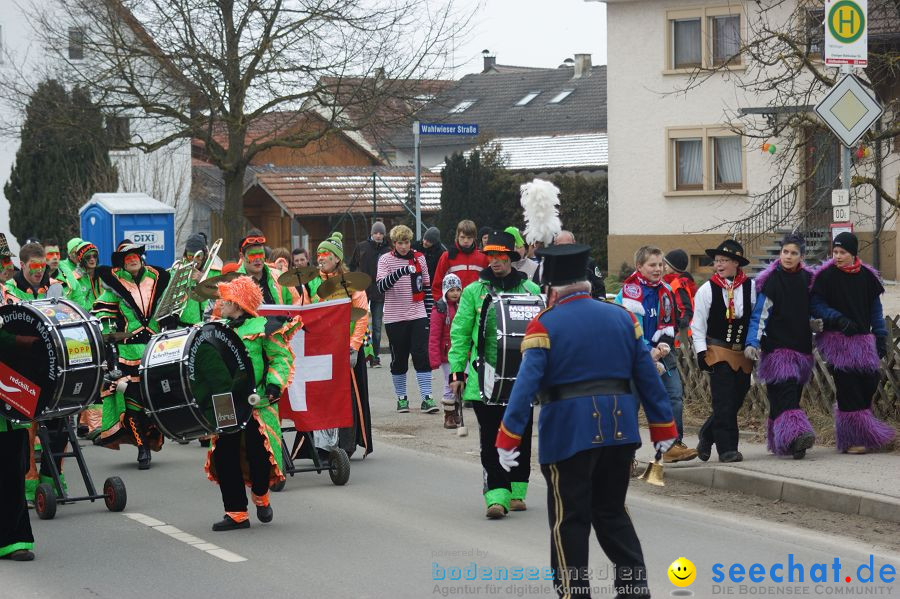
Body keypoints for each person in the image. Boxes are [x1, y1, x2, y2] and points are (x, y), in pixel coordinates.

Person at [496, 243, 677, 599]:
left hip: (568, 434)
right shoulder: (622, 317)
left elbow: (524, 388)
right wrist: (663, 427)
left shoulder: (543, 324)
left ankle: (574, 593)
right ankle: (634, 590)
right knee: (612, 514)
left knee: (570, 521)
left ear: (550, 288)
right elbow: (647, 376)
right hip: (620, 432)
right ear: (585, 281)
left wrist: (508, 438)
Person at [449, 230, 541, 518]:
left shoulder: (531, 292)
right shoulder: (473, 292)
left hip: (522, 378)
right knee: (491, 437)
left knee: (521, 435)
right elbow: (460, 332)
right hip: (483, 378)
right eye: (490, 255)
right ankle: (496, 497)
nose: (494, 261)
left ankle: (516, 490)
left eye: (500, 256)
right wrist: (456, 371)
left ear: (511, 258)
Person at [205, 276, 296, 531]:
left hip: (256, 402)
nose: (220, 303)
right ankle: (236, 514)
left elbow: (280, 358)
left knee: (259, 456)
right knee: (225, 455)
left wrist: (274, 385)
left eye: (226, 299)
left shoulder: (263, 327)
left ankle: (260, 495)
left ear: (238, 303)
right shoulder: (217, 329)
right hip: (225, 402)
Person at [810, 232, 895, 454]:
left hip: (863, 340)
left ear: (853, 254)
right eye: (835, 252)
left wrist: (879, 337)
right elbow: (816, 304)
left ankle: (862, 433)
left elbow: (875, 310)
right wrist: (836, 318)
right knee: (848, 388)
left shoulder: (867, 277)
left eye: (842, 252)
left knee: (869, 381)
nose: (837, 256)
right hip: (838, 341)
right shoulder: (826, 276)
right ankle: (851, 440)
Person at [92, 242, 170, 469]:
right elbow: (105, 323)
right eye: (127, 257)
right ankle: (142, 448)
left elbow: (173, 308)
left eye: (135, 255)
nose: (132, 259)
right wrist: (111, 353)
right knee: (132, 403)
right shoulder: (114, 285)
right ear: (122, 262)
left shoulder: (158, 278)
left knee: (153, 401)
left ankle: (153, 437)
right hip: (128, 353)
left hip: (156, 351)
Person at [616, 246, 696, 463]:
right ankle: (626, 456)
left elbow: (669, 325)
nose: (658, 269)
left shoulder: (667, 290)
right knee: (631, 405)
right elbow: (627, 329)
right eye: (652, 265)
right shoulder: (628, 292)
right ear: (639, 267)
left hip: (661, 355)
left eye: (660, 264)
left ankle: (671, 446)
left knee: (674, 396)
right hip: (635, 356)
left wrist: (663, 345)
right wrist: (646, 349)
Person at [5, 243, 70, 501]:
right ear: (22, 265)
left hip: (51, 366)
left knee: (61, 421)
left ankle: (51, 478)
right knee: (27, 429)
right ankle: (28, 484)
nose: (39, 272)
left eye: (42, 267)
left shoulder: (54, 287)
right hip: (21, 368)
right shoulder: (9, 290)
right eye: (34, 267)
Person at [745, 233, 819, 459]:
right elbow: (760, 315)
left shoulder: (809, 279)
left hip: (802, 349)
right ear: (780, 253)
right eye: (785, 252)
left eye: (794, 253)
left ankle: (781, 442)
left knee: (786, 398)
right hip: (777, 350)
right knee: (785, 393)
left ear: (801, 256)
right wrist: (752, 342)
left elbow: (817, 306)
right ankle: (799, 437)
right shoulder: (771, 280)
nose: (788, 256)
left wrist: (819, 320)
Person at [307, 232, 373, 457]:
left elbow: (362, 316)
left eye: (326, 253)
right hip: (324, 348)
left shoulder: (352, 284)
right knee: (324, 396)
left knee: (347, 397)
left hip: (346, 348)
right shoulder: (313, 282)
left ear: (337, 258)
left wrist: (354, 346)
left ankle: (346, 444)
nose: (321, 257)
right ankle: (322, 444)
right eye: (318, 254)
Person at [691, 239, 756, 463]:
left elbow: (757, 319)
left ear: (736, 263)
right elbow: (697, 324)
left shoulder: (751, 287)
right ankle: (728, 449)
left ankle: (706, 435)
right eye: (717, 261)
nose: (718, 265)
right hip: (718, 350)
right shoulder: (707, 290)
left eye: (724, 260)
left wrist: (754, 343)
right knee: (724, 401)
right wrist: (700, 352)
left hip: (743, 353)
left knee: (737, 398)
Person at [376, 225, 437, 413]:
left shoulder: (420, 258)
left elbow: (426, 288)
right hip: (395, 317)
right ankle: (402, 398)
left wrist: (429, 315)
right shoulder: (385, 260)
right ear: (394, 244)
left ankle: (427, 397)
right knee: (399, 358)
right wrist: (400, 272)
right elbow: (381, 287)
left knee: (421, 355)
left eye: (407, 242)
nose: (404, 246)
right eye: (400, 243)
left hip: (417, 314)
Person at [65, 240, 104, 438]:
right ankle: (93, 425)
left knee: (89, 373)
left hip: (90, 327)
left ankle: (85, 422)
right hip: (75, 330)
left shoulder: (93, 275)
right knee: (87, 374)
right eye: (85, 255)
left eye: (93, 256)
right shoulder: (69, 273)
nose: (91, 259)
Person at [235, 230, 300, 334]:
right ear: (242, 257)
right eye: (252, 255)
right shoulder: (233, 282)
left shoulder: (279, 277)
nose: (257, 259)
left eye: (260, 254)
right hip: (249, 342)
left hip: (278, 339)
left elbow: (296, 307)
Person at [350, 221, 391, 368]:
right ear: (371, 233)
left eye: (381, 233)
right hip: (362, 291)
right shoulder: (361, 247)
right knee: (361, 324)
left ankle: (375, 356)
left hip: (379, 292)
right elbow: (352, 265)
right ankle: (359, 353)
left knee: (378, 327)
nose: (378, 235)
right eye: (376, 233)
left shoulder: (388, 250)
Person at [429, 274, 462, 429]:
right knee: (450, 382)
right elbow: (434, 335)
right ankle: (448, 415)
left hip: (462, 352)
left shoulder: (462, 306)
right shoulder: (439, 308)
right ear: (445, 291)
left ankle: (455, 409)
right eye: (451, 290)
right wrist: (434, 358)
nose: (455, 293)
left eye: (457, 289)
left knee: (461, 381)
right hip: (447, 354)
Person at [538, 230, 606, 299]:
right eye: (561, 246)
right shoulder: (548, 264)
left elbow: (599, 290)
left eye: (568, 245)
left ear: (574, 243)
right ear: (555, 245)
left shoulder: (588, 263)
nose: (565, 250)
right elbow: (540, 289)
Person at [431, 219, 488, 302]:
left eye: (469, 238)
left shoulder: (483, 257)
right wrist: (440, 301)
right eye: (462, 237)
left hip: (477, 304)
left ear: (474, 237)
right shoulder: (447, 256)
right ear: (457, 236)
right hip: (453, 306)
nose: (465, 241)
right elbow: (437, 283)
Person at [662, 249, 697, 330]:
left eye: (667, 264)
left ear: (674, 267)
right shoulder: (678, 282)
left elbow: (685, 307)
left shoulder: (678, 285)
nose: (665, 266)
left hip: (680, 331)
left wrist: (682, 323)